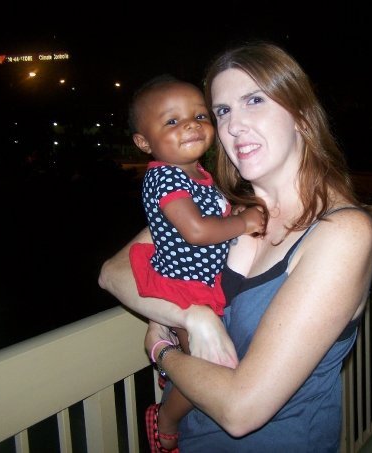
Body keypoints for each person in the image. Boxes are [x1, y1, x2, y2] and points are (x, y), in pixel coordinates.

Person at [99, 41, 372, 452]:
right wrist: (194, 316)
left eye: (254, 100)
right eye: (223, 111)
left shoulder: (342, 233)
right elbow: (114, 272)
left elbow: (241, 410)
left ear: (300, 114)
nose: (233, 126)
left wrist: (162, 351)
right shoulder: (225, 210)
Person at [127, 74, 267, 452]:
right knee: (208, 370)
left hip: (202, 284)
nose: (190, 125)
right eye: (172, 121)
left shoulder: (201, 175)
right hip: (184, 286)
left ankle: (175, 375)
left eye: (200, 116)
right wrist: (245, 222)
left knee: (202, 361)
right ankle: (165, 419)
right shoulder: (165, 177)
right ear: (144, 142)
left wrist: (233, 213)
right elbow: (197, 231)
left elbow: (213, 216)